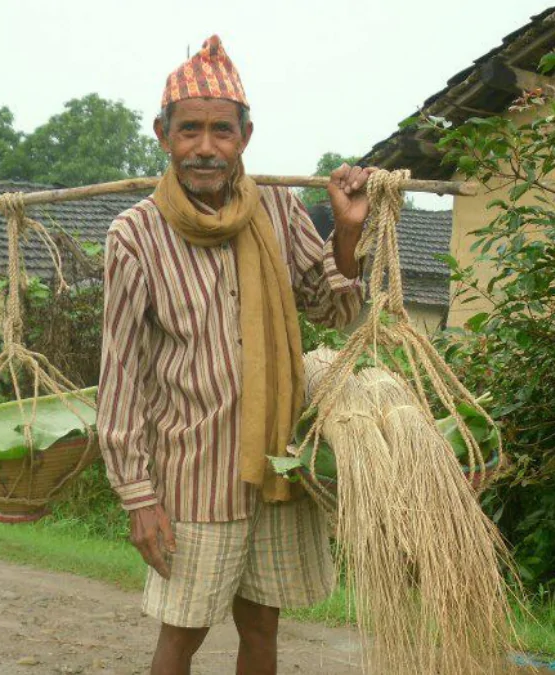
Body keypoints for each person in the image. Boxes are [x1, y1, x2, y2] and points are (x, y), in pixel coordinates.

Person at [97, 35, 373, 675]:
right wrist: (138, 497)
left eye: (221, 131)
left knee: (262, 626)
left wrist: (349, 230)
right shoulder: (136, 235)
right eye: (189, 130)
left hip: (278, 462)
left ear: (245, 137)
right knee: (182, 634)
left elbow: (330, 309)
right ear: (162, 134)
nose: (205, 148)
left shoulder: (277, 208)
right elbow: (120, 376)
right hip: (194, 473)